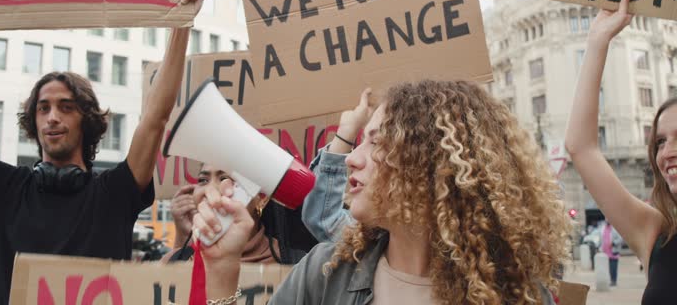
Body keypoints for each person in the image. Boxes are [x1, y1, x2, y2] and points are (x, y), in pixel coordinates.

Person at [0, 0, 205, 304]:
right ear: (33, 122)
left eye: (66, 107)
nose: (52, 117)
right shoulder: (1, 188)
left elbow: (156, 116)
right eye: (43, 108)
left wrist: (182, 22)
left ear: (87, 120)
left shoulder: (115, 193)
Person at [194, 80, 569, 304]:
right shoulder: (326, 273)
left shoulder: (519, 294)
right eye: (360, 142)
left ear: (433, 164)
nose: (354, 159)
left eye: (377, 143)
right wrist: (223, 269)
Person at [565, 0, 677, 304]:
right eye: (660, 141)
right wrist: (598, 40)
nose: (667, 151)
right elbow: (581, 147)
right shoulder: (655, 231)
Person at [164, 164, 317, 264]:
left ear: (261, 199)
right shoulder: (174, 261)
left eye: (225, 179)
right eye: (203, 180)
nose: (209, 190)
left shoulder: (300, 269)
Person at [301, 88, 372, 242]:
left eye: (375, 142)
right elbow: (325, 219)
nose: (351, 159)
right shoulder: (371, 242)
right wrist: (346, 133)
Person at [600, 221, 622, 286]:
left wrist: (614, 243)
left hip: (613, 252)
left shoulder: (615, 228)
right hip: (605, 252)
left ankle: (614, 281)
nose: (608, 220)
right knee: (608, 268)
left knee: (613, 268)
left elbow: (620, 238)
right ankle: (610, 280)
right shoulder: (603, 228)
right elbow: (601, 239)